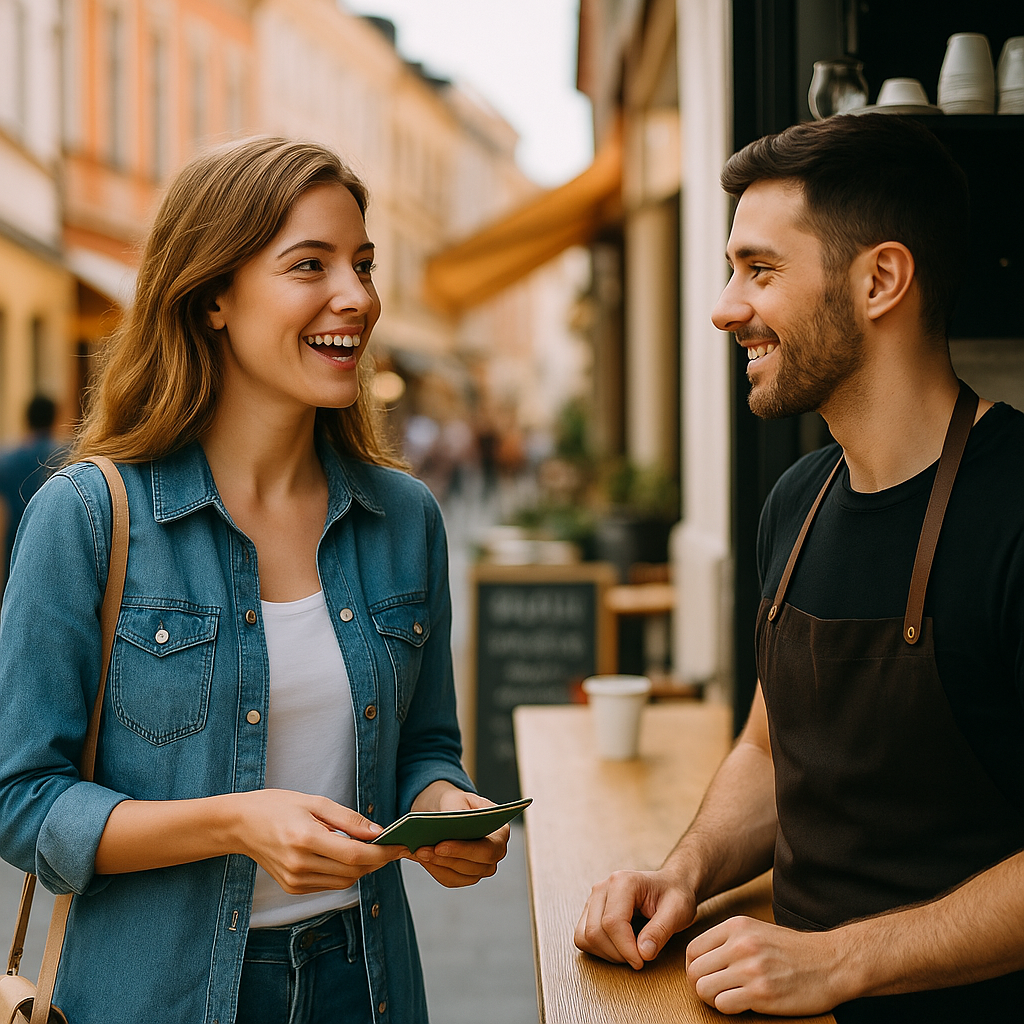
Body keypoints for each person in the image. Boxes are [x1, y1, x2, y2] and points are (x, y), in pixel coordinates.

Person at [0, 136, 511, 1024]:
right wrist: (237, 822)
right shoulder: (87, 518)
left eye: (362, 263)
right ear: (212, 300)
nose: (355, 296)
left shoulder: (405, 519)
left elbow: (427, 744)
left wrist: (441, 807)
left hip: (366, 985)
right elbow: (23, 803)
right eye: (308, 265)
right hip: (160, 996)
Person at [574, 113, 1024, 1021]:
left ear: (880, 281)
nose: (724, 305)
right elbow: (771, 751)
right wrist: (685, 873)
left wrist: (840, 962)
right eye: (731, 267)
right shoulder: (797, 499)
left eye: (761, 269)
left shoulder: (1013, 508)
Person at [0, 394, 64, 586]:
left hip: (16, 543)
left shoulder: (8, 460)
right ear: (55, 418)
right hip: (54, 545)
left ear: (26, 419)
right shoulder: (65, 458)